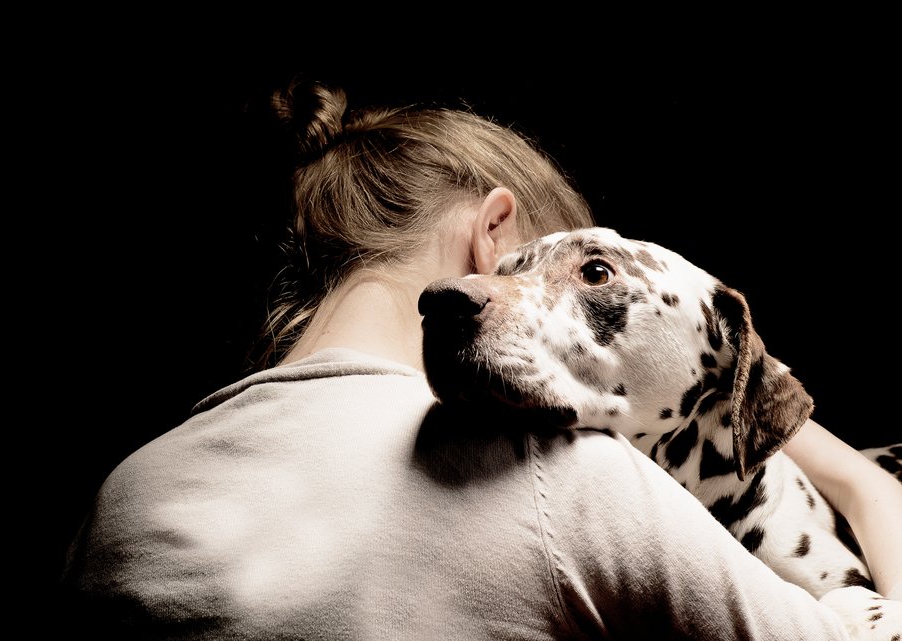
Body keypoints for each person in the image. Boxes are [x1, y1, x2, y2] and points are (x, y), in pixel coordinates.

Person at [60, 76, 901, 639]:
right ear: (491, 234)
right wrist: (865, 482)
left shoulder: (121, 498)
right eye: (567, 267)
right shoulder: (552, 475)